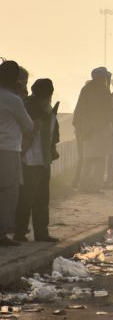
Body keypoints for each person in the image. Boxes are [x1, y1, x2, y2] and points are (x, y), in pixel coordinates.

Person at [14, 79, 59, 243]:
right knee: (26, 198)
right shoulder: (26, 107)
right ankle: (20, 232)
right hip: (29, 160)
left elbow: (54, 134)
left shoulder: (48, 110)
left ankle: (41, 233)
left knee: (42, 198)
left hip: (43, 159)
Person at [0, 61, 34, 247]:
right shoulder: (14, 100)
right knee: (8, 192)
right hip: (8, 150)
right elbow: (28, 126)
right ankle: (2, 233)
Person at [72, 67, 113, 193]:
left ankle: (83, 185)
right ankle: (96, 186)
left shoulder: (86, 89)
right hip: (100, 129)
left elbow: (79, 111)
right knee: (100, 159)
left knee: (88, 159)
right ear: (102, 77)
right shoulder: (103, 91)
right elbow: (109, 112)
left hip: (87, 130)